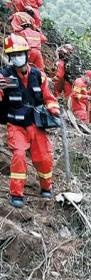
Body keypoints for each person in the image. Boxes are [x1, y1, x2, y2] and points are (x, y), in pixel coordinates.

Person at [0, 34, 60, 208]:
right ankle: (16, 194)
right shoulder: (4, 76)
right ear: (9, 58)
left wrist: (53, 109)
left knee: (44, 158)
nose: (17, 58)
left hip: (36, 124)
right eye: (13, 55)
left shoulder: (38, 75)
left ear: (26, 54)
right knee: (19, 155)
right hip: (16, 125)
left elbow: (49, 97)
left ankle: (46, 187)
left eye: (20, 54)